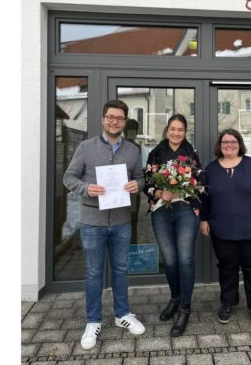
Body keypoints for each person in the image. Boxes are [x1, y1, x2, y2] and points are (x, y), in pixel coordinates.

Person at [63, 99, 146, 350]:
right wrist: (86, 188)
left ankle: (122, 314)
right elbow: (69, 177)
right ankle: (93, 320)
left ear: (124, 122)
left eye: (119, 118)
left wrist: (137, 185)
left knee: (120, 269)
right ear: (103, 119)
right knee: (93, 272)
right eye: (110, 117)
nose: (114, 122)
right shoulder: (86, 147)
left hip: (121, 221)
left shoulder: (132, 150)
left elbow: (141, 178)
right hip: (93, 222)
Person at [200, 129, 251, 328]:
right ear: (220, 145)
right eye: (225, 142)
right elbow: (204, 199)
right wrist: (204, 219)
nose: (229, 145)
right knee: (227, 269)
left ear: (239, 144)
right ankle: (227, 303)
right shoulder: (210, 170)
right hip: (222, 230)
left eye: (233, 142)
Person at [142, 114, 203, 337]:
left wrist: (184, 188)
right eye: (173, 129)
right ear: (167, 129)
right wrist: (159, 192)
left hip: (186, 209)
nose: (176, 133)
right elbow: (147, 183)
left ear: (185, 132)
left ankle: (185, 308)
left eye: (181, 130)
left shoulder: (191, 153)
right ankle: (175, 299)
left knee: (185, 259)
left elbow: (200, 181)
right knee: (169, 260)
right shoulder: (156, 153)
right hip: (161, 211)